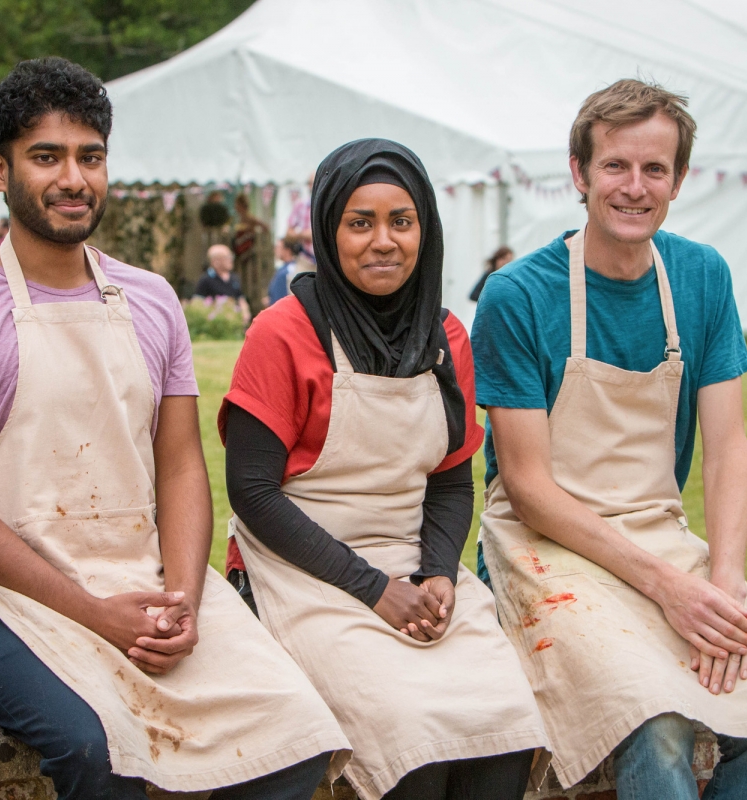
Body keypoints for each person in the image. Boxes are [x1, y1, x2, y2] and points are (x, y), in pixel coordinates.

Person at [0, 57, 349, 800]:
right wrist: (96, 615)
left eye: (90, 157)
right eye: (47, 157)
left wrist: (183, 600)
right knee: (96, 746)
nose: (74, 178)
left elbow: (180, 467)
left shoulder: (152, 300)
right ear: (0, 173)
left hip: (138, 576)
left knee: (295, 731)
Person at [472, 79, 747, 799]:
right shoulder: (518, 295)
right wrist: (667, 589)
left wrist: (722, 583)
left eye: (654, 169)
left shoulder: (702, 277)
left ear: (679, 179)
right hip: (546, 549)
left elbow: (729, 450)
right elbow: (529, 488)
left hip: (658, 529)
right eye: (615, 166)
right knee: (657, 725)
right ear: (579, 174)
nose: (634, 187)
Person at [221, 139, 548, 800]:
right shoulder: (281, 334)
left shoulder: (446, 337)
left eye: (402, 221)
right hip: (303, 572)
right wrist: (374, 589)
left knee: (505, 725)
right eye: (360, 222)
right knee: (411, 743)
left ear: (425, 230)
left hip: (412, 562)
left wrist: (436, 572)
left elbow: (453, 478)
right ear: (328, 231)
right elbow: (252, 492)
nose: (384, 241)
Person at [285, 171, 315, 262]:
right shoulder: (300, 205)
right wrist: (303, 234)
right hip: (306, 258)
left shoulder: (330, 205)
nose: (312, 186)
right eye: (310, 183)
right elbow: (288, 233)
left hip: (326, 261)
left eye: (314, 183)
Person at [265, 236, 302, 306]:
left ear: (287, 250)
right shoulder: (282, 269)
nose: (275, 250)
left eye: (278, 247)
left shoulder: (290, 271)